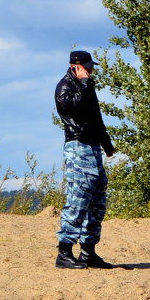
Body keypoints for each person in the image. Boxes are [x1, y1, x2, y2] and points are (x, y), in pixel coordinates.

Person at [54, 49, 116, 269]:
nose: (90, 71)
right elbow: (76, 108)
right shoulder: (66, 87)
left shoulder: (85, 86)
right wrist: (83, 83)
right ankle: (64, 252)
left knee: (97, 199)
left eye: (90, 67)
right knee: (79, 197)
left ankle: (89, 253)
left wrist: (107, 144)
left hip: (93, 146)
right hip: (77, 146)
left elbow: (95, 116)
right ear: (76, 67)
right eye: (87, 67)